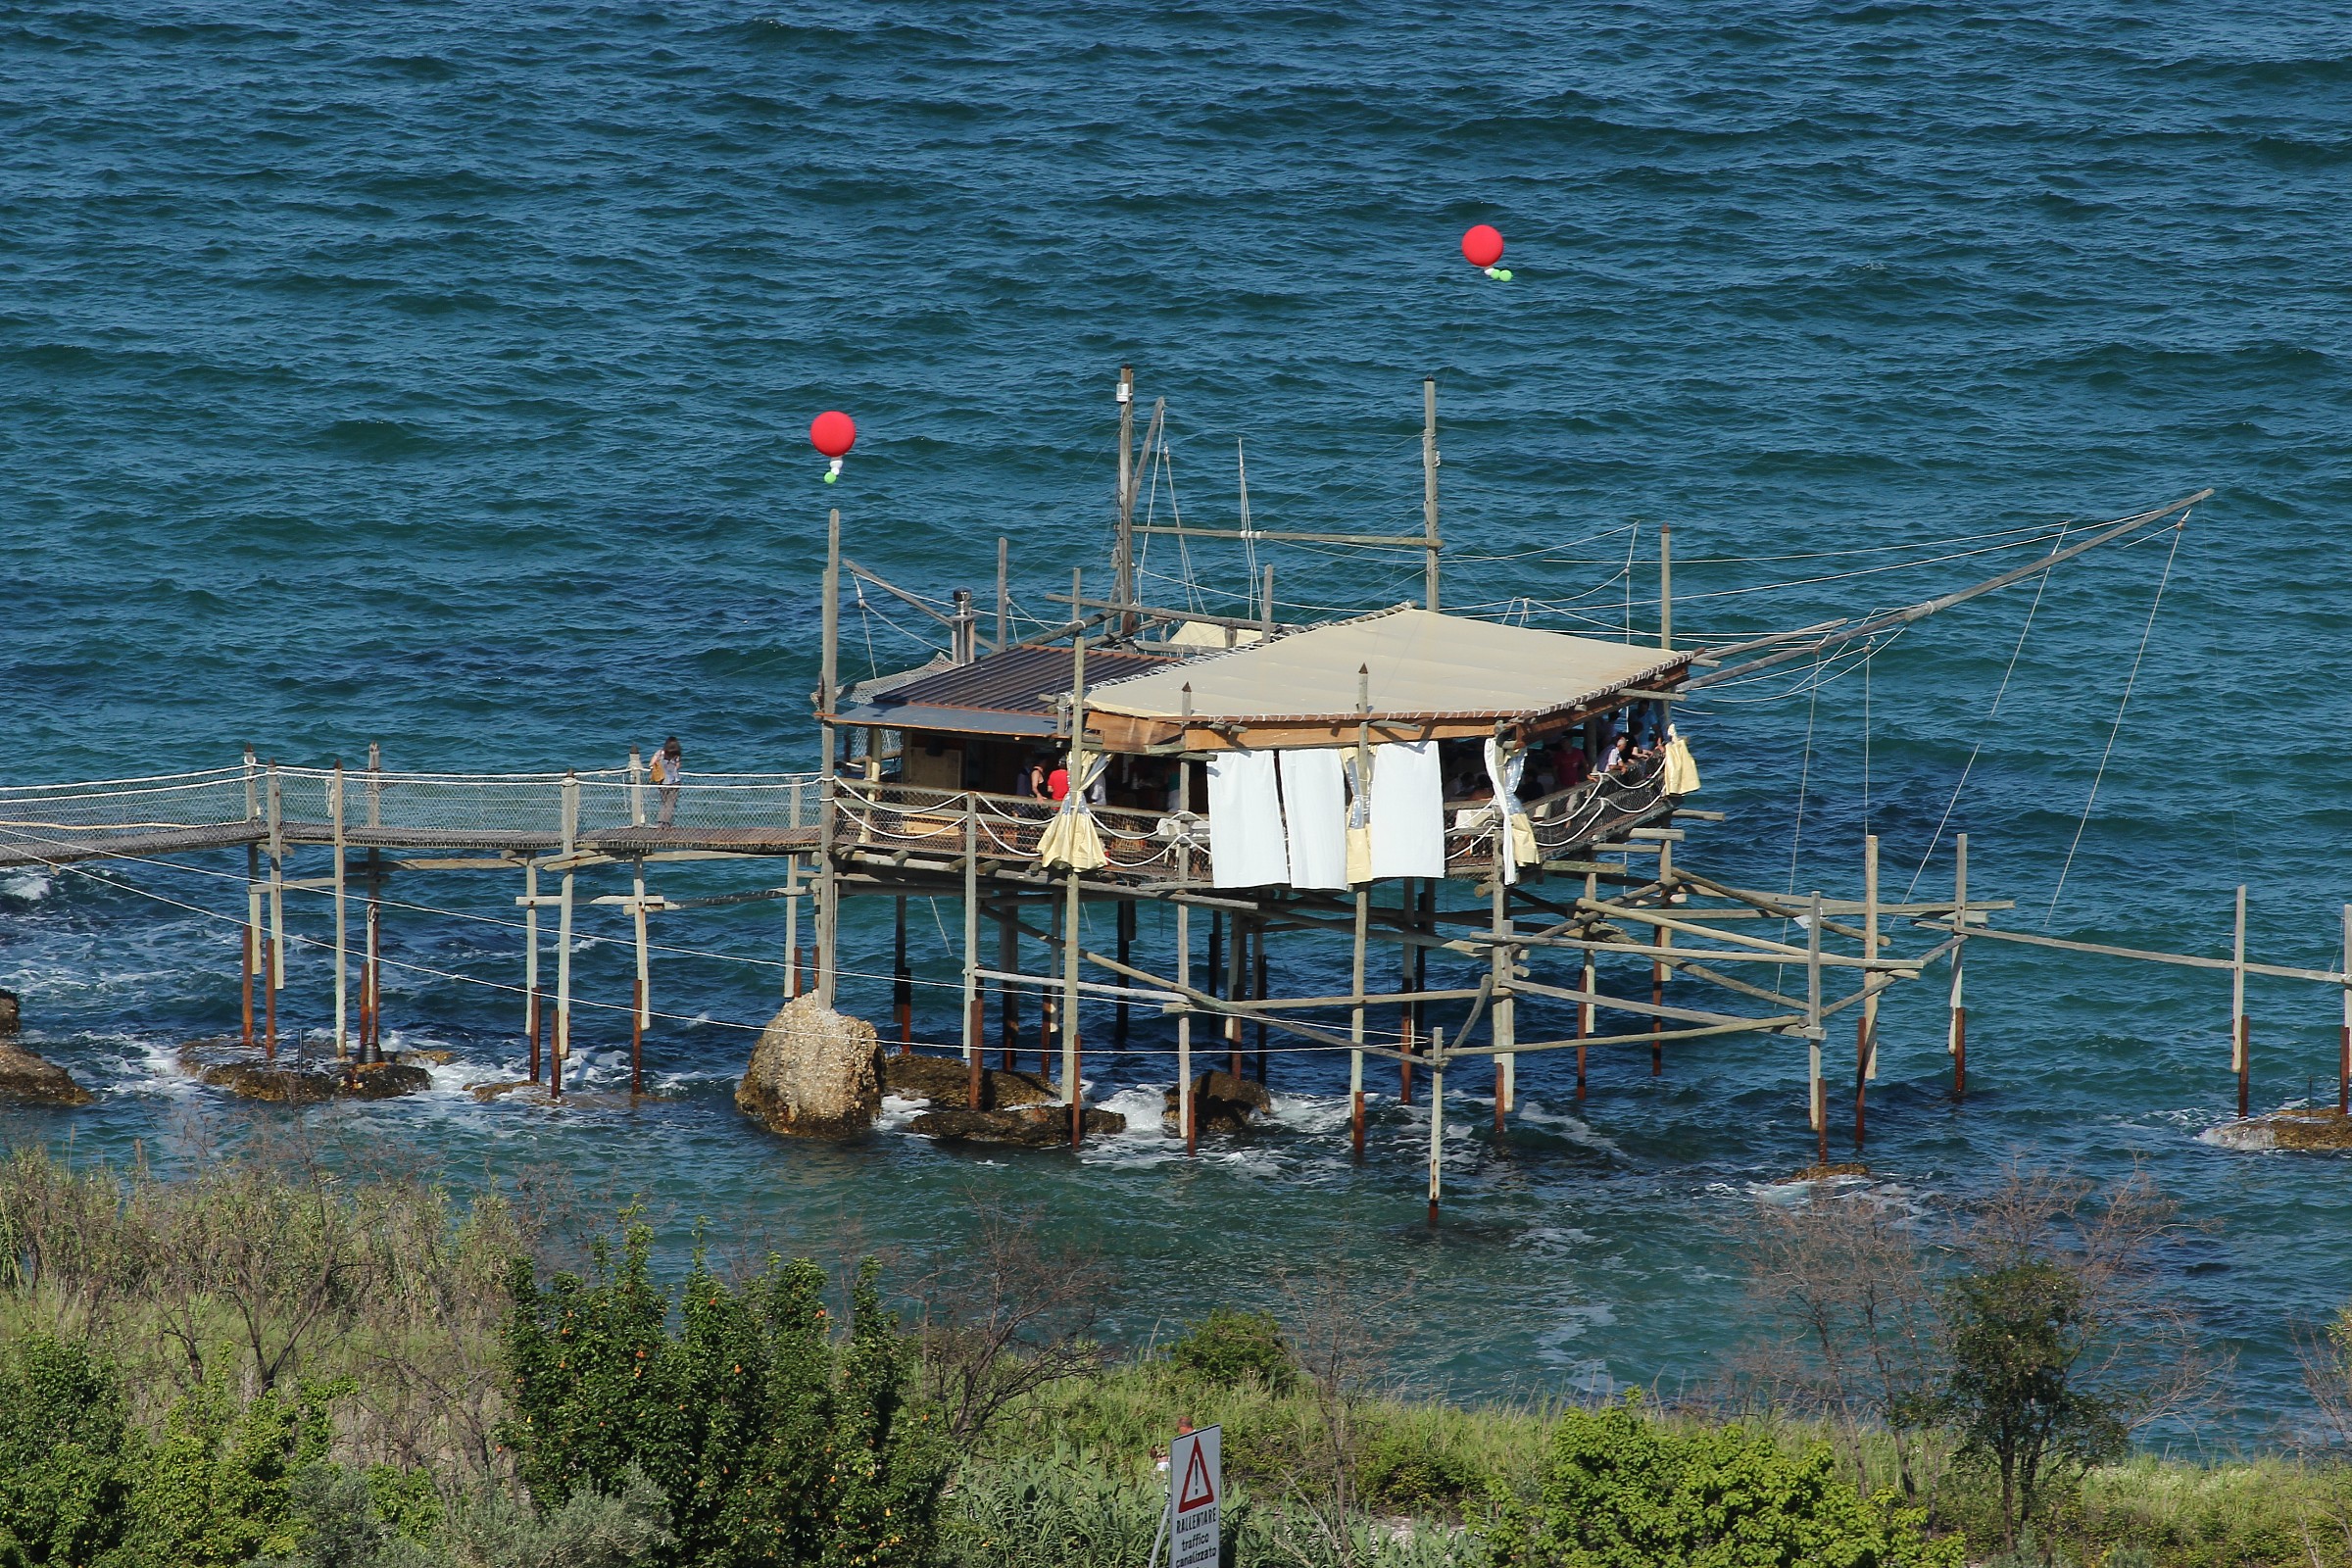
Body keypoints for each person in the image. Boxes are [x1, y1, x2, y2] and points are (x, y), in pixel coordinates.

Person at [649, 736, 684, 825]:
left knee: (664, 802)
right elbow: (677, 767)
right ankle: (667, 823)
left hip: (663, 781)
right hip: (675, 781)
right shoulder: (677, 755)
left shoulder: (660, 753)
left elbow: (651, 764)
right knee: (671, 803)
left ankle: (660, 822)